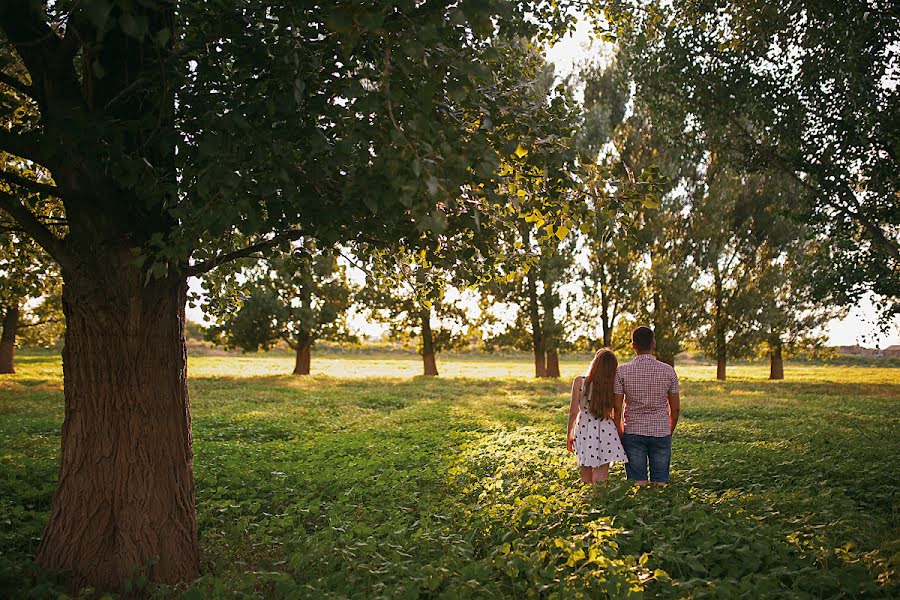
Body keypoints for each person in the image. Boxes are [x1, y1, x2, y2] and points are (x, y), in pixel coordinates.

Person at [614, 326, 681, 487]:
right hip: (661, 431)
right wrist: (668, 430)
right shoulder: (669, 371)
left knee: (638, 483)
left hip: (633, 431)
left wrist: (621, 433)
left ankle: (640, 511)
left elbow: (617, 408)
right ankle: (659, 510)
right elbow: (676, 409)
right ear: (653, 344)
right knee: (660, 482)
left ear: (633, 345)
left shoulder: (621, 372)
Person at [566, 348, 628, 486]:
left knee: (585, 474)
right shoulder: (613, 385)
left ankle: (588, 503)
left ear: (595, 363)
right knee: (601, 475)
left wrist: (569, 435)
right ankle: (600, 502)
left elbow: (573, 412)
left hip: (583, 428)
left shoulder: (579, 381)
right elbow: (617, 411)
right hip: (606, 428)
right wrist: (620, 434)